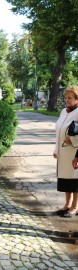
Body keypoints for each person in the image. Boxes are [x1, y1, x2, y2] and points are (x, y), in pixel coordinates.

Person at [53, 85, 78, 218]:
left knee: (75, 181)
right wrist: (56, 149)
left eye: (70, 98)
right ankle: (67, 205)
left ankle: (75, 207)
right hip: (63, 153)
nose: (67, 100)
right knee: (66, 180)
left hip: (74, 153)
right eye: (66, 98)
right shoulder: (64, 111)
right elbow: (59, 131)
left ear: (76, 99)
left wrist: (73, 140)